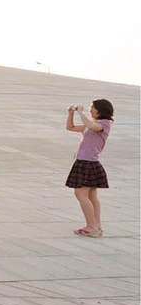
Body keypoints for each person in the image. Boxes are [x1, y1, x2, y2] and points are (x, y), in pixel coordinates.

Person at [65, 99, 114, 236]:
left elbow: (92, 127)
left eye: (93, 108)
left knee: (80, 194)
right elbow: (70, 127)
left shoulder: (104, 123)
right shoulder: (92, 124)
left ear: (101, 110)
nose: (90, 110)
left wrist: (80, 112)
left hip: (88, 162)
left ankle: (91, 226)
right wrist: (71, 113)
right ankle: (96, 226)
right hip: (84, 161)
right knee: (91, 195)